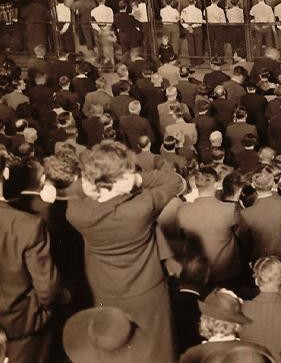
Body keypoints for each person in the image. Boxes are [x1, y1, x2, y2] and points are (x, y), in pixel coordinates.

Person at [67, 141, 185, 363]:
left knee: (115, 345)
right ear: (121, 178)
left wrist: (97, 181)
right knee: (157, 348)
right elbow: (173, 181)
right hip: (147, 290)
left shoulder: (76, 213)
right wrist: (137, 180)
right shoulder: (141, 207)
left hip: (105, 289)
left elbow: (74, 189)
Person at [0, 157, 62, 362]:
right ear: (5, 176)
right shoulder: (27, 225)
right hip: (21, 325)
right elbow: (48, 288)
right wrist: (42, 312)